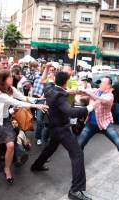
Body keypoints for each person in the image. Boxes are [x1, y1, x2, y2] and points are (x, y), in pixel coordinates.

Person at [31, 64, 95, 200]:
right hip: (61, 128)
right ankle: (75, 191)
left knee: (50, 148)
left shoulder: (49, 88)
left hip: (54, 126)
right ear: (66, 82)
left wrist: (71, 92)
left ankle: (37, 165)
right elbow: (71, 112)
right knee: (77, 154)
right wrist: (90, 107)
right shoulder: (59, 96)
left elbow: (47, 83)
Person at [0, 70, 48, 189]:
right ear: (3, 79)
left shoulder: (11, 89)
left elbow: (22, 97)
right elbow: (15, 102)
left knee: (10, 146)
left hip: (5, 121)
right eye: (10, 77)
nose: (13, 78)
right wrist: (36, 106)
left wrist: (37, 100)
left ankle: (7, 168)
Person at [78, 76, 119, 165]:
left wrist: (89, 93)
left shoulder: (110, 96)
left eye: (102, 83)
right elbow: (85, 93)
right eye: (100, 82)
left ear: (108, 86)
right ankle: (78, 161)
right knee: (79, 145)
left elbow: (101, 100)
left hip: (105, 123)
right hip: (91, 124)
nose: (100, 84)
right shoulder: (97, 90)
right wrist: (78, 91)